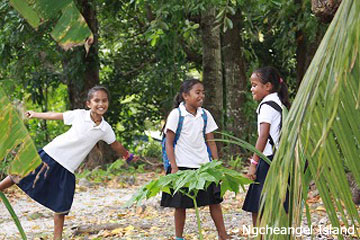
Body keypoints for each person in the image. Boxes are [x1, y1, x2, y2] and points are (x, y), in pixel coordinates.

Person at [0, 86, 138, 240]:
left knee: (61, 206)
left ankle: (57, 238)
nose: (101, 104)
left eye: (104, 101)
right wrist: (35, 114)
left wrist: (128, 156)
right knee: (22, 174)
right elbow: (55, 115)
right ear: (88, 103)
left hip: (68, 167)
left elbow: (116, 144)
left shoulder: (105, 129)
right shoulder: (79, 115)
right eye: (96, 100)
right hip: (52, 153)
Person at [160, 79, 229, 240]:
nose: (201, 96)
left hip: (204, 166)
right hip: (182, 166)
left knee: (214, 202)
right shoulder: (177, 114)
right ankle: (179, 236)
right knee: (180, 205)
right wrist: (174, 167)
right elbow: (169, 143)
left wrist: (216, 165)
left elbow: (211, 141)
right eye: (197, 92)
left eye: (203, 92)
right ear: (185, 95)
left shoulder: (205, 115)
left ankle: (223, 235)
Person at [242, 66, 291, 226]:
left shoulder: (267, 105)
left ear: (267, 86)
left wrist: (253, 164)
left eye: (254, 85)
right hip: (282, 159)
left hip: (268, 160)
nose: (252, 88)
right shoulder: (280, 103)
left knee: (258, 206)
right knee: (282, 204)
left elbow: (263, 136)